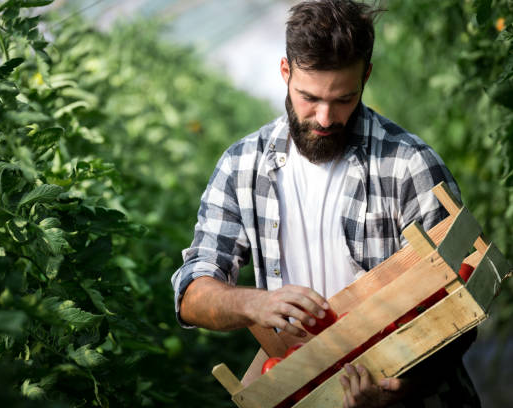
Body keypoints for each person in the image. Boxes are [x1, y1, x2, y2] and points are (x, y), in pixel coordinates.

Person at [171, 1, 480, 407]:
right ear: (285, 73)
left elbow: (462, 305)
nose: (324, 117)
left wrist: (398, 391)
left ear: (366, 77)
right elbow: (192, 291)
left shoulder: (408, 166)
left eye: (343, 99)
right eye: (308, 97)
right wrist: (254, 303)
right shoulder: (241, 167)